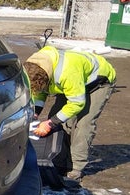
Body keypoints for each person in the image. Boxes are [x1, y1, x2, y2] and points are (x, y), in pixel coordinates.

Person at [24, 45, 116, 181]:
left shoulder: (67, 72)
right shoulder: (34, 67)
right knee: (58, 119)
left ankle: (75, 168)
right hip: (70, 84)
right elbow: (39, 91)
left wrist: (50, 123)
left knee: (83, 124)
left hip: (97, 83)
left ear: (46, 79)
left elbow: (77, 103)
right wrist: (36, 113)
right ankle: (60, 162)